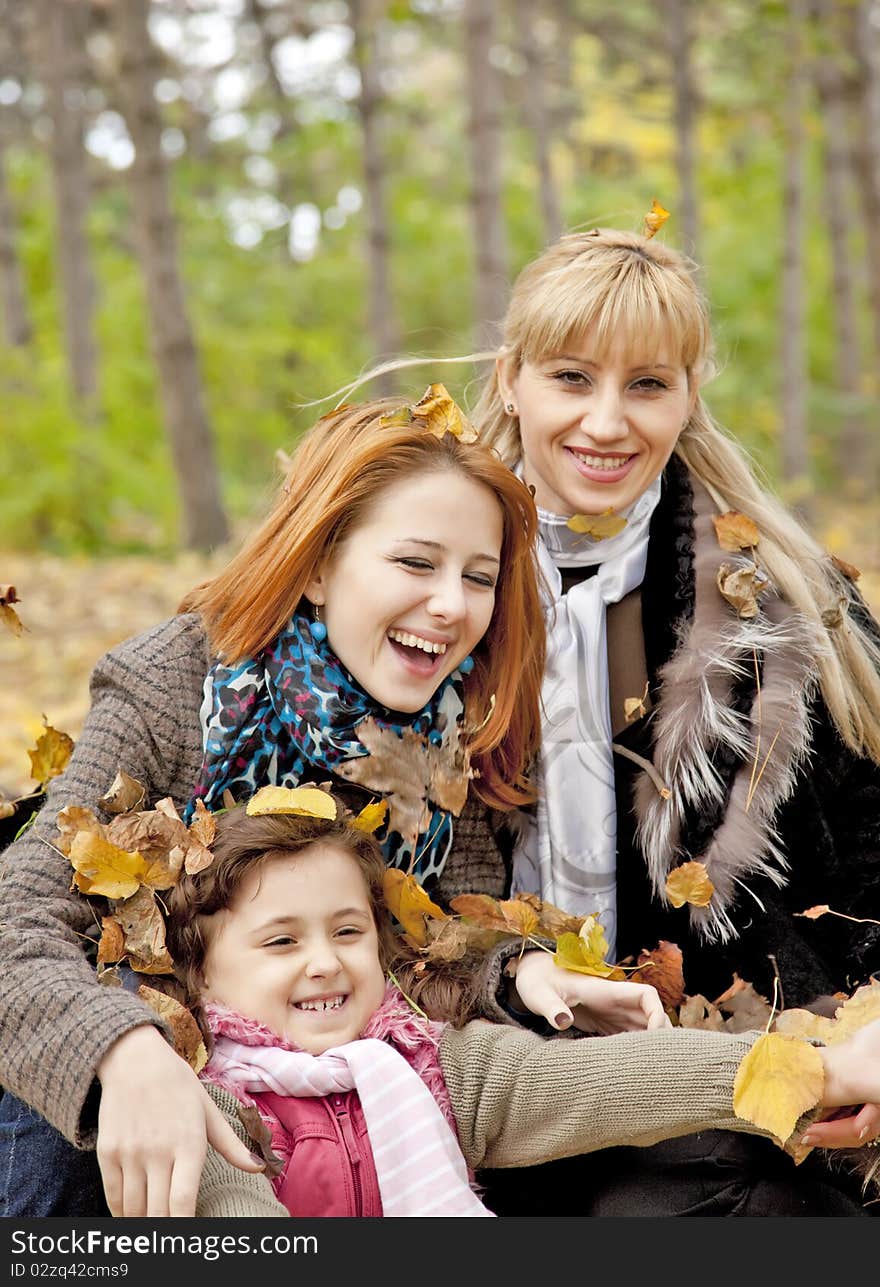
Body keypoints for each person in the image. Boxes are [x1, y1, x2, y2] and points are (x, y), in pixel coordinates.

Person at [0, 391, 554, 1217]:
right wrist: (121, 1046)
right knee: (77, 1137)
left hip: (317, 1080)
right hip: (142, 1066)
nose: (451, 604)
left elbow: (427, 939)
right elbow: (17, 917)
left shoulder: (449, 733)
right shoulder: (176, 683)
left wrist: (520, 969)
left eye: (479, 576)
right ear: (322, 565)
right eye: (415, 563)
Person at [450, 224, 880, 1214]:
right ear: (512, 378)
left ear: (689, 394)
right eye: (570, 377)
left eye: (646, 384)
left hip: (718, 1066)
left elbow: (870, 844)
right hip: (475, 1043)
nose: (607, 422)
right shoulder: (427, 585)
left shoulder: (778, 600)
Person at [165, 803, 880, 1218]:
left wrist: (826, 1071)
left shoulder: (432, 1062)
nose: (324, 960)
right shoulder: (214, 1109)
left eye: (347, 930)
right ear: (201, 973)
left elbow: (611, 1081)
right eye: (282, 940)